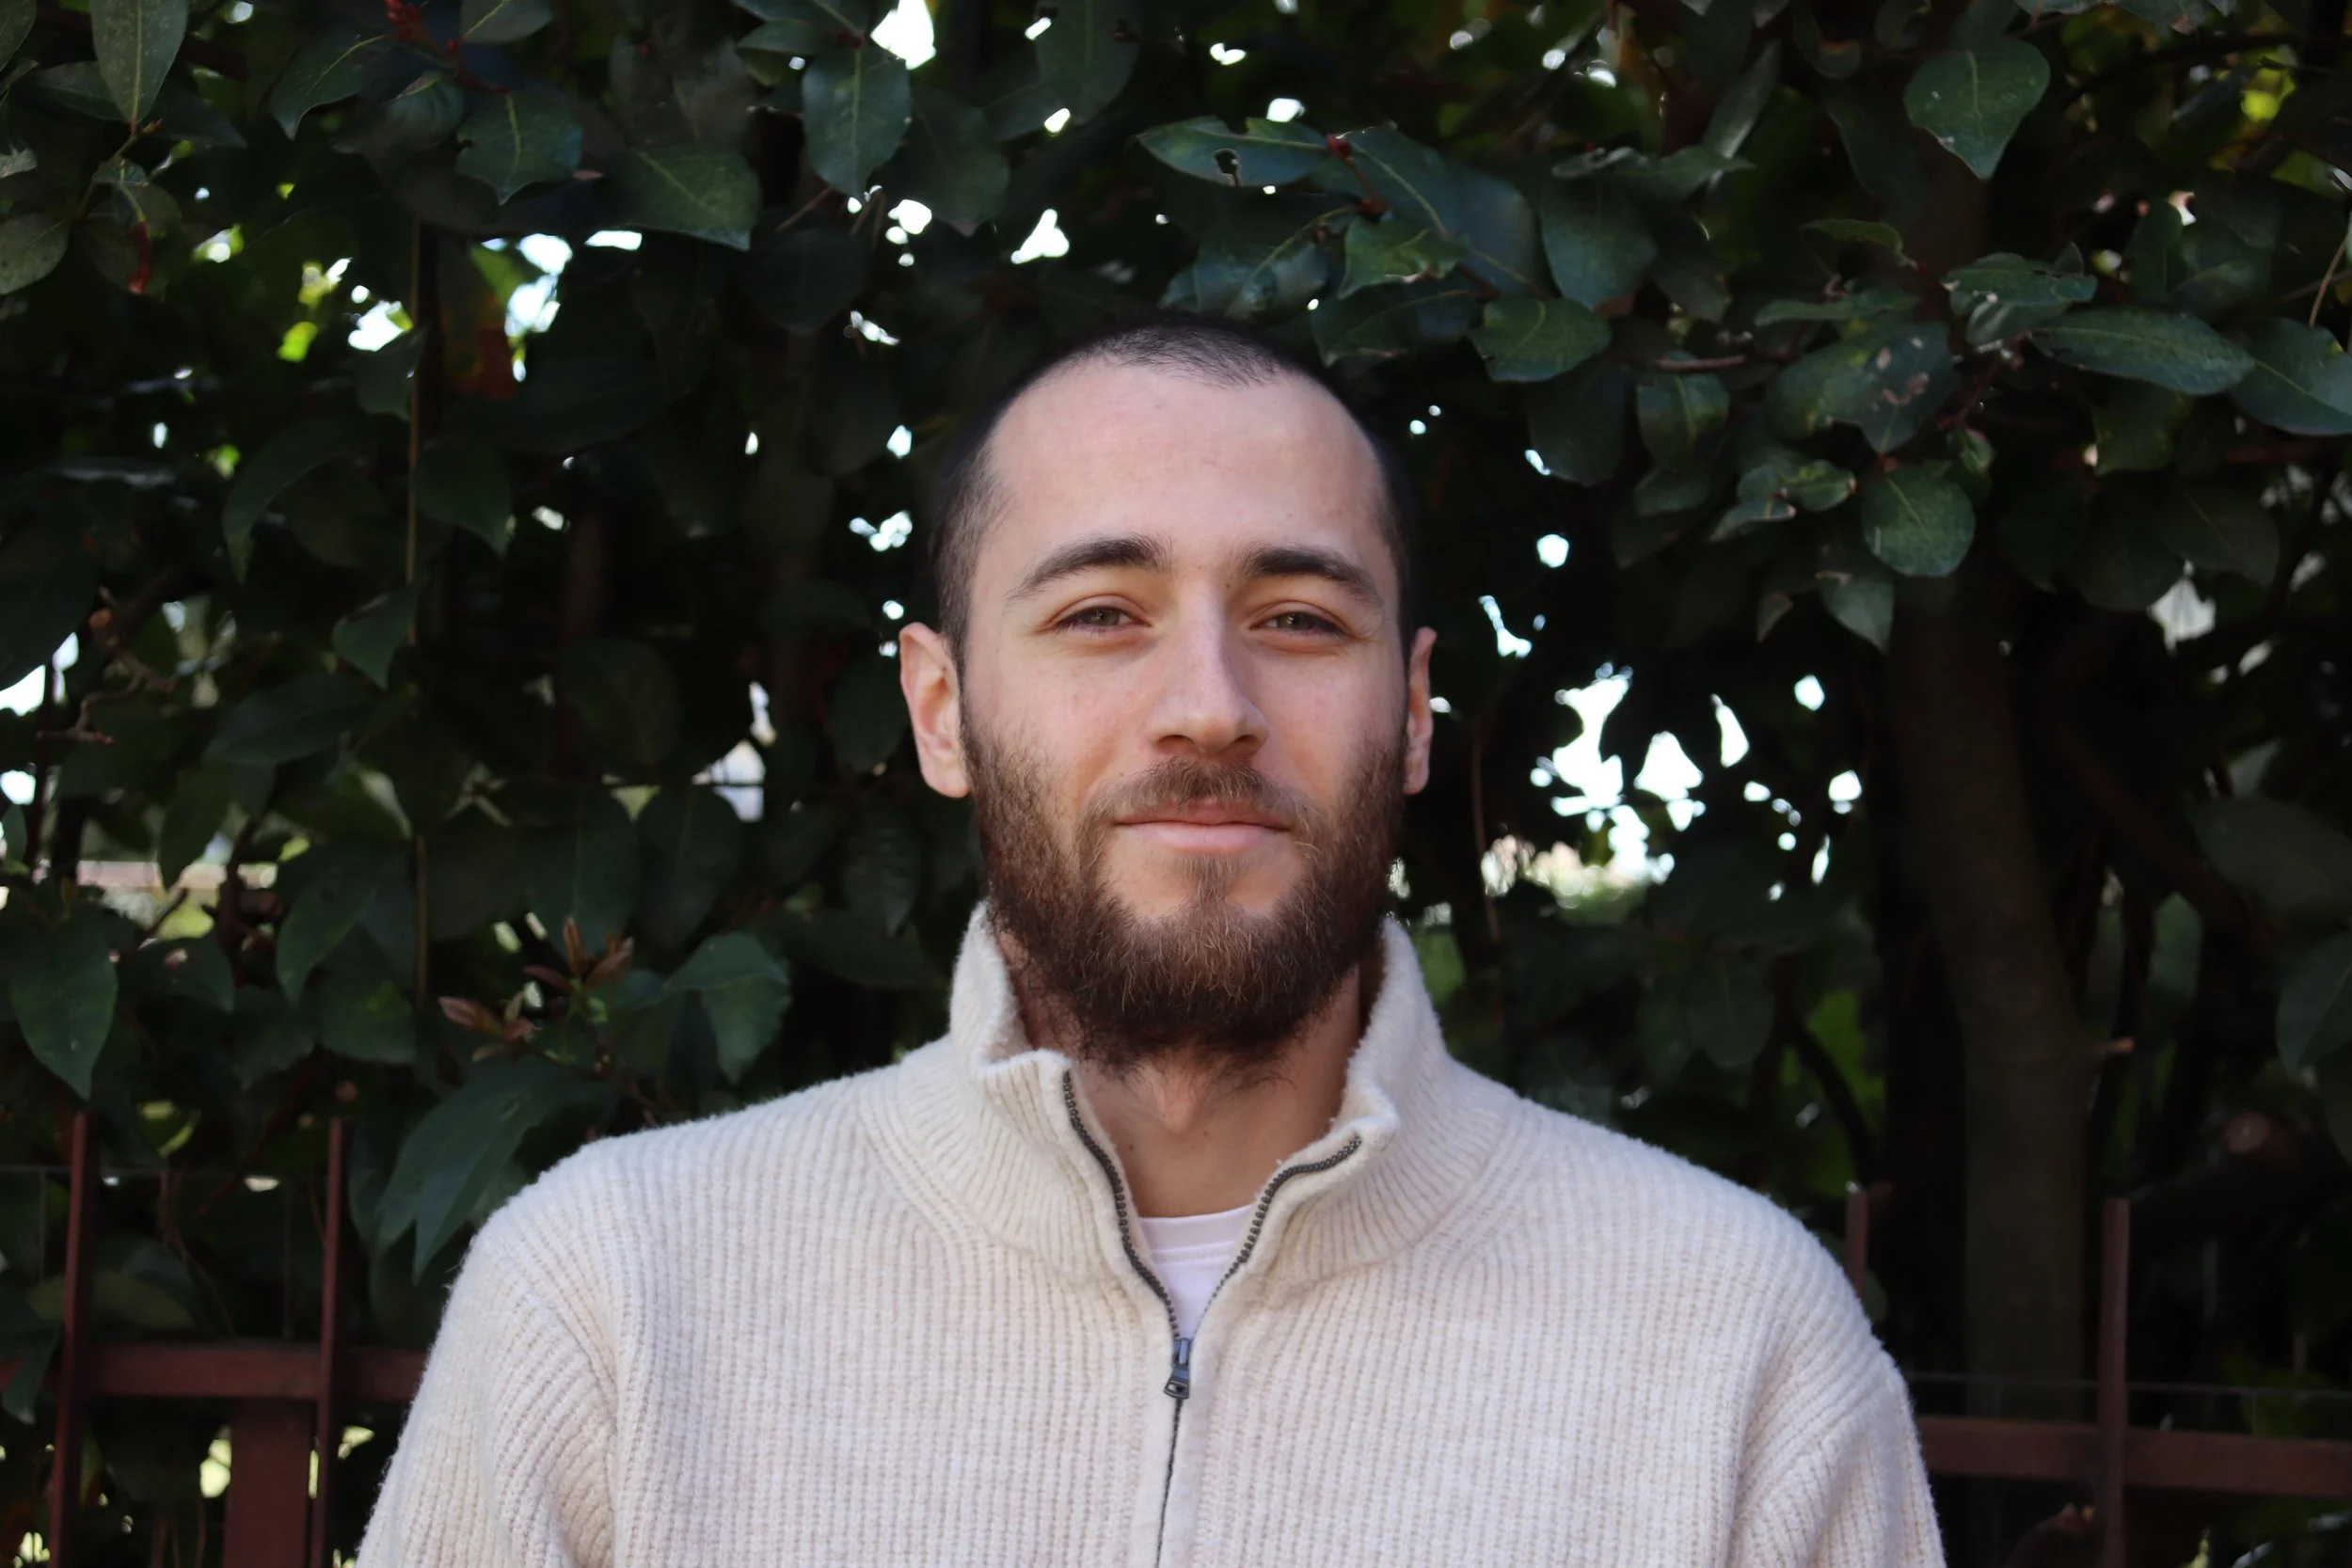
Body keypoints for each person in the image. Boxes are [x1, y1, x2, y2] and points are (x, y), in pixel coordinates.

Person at [357, 311, 1944, 1567]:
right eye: (1101, 612)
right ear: (942, 708)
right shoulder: (619, 1302)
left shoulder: (1733, 1344)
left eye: (1300, 619)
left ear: (1410, 715)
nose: (1208, 703)